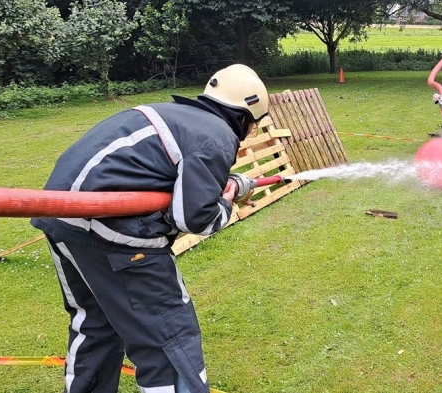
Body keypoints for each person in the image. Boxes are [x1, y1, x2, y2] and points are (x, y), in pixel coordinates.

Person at [30, 64, 269, 393]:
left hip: (60, 216)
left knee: (96, 324)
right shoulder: (216, 135)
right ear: (243, 118)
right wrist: (226, 202)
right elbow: (194, 218)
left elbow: (156, 174)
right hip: (108, 228)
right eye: (253, 126)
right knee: (169, 336)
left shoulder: (176, 116)